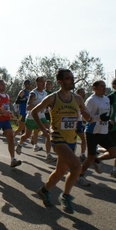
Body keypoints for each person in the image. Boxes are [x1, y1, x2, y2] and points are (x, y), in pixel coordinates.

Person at [34, 69, 91, 213]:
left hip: (71, 139)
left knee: (60, 171)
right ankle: (65, 196)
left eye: (72, 78)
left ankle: (44, 190)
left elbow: (88, 117)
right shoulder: (52, 98)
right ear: (60, 82)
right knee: (77, 167)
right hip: (58, 139)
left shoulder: (77, 99)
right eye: (68, 78)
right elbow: (34, 112)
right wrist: (43, 128)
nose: (71, 81)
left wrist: (86, 115)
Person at [78, 80, 116, 186]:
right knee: (90, 157)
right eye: (101, 86)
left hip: (104, 131)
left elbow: (105, 114)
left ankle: (97, 160)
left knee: (115, 153)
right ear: (94, 88)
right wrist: (98, 118)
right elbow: (84, 117)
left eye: (105, 86)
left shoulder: (106, 99)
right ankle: (80, 175)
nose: (104, 88)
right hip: (92, 132)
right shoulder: (91, 100)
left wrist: (108, 120)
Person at [15, 77, 56, 163]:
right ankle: (20, 144)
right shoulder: (33, 93)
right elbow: (28, 106)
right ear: (36, 83)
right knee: (26, 135)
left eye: (44, 81)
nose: (43, 83)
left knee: (48, 133)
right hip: (31, 118)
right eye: (41, 81)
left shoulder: (45, 93)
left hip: (41, 117)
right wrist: (39, 107)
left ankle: (48, 155)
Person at [0, 80, 22, 168]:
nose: (3, 86)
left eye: (4, 84)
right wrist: (1, 113)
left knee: (10, 138)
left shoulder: (7, 95)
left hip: (6, 121)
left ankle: (13, 159)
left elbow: (6, 107)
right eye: (1, 84)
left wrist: (10, 113)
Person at [75, 88, 87, 162]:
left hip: (80, 122)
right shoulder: (74, 100)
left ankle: (82, 154)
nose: (83, 93)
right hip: (73, 122)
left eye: (84, 92)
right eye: (82, 92)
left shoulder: (83, 102)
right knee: (72, 140)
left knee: (83, 139)